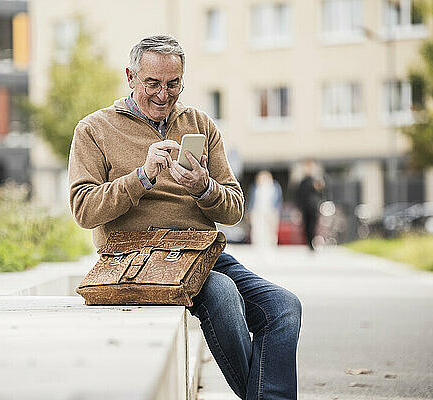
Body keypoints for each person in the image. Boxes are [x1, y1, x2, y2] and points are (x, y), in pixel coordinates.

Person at [68, 35, 302, 400]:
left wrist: (203, 188)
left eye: (173, 84)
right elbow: (83, 208)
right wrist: (141, 178)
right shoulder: (94, 129)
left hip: (202, 253)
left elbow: (234, 207)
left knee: (284, 307)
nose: (164, 94)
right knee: (223, 293)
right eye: (153, 84)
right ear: (130, 77)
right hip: (137, 258)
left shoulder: (200, 124)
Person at [295, 159, 325, 251]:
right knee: (306, 226)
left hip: (313, 207)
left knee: (313, 225)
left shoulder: (316, 180)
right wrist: (298, 208)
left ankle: (312, 242)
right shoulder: (302, 182)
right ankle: (308, 243)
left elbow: (321, 194)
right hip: (305, 207)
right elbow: (298, 196)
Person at [248, 170, 282, 248]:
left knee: (270, 230)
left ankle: (271, 245)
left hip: (270, 211)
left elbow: (278, 200)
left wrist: (276, 211)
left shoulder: (275, 187)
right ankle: (257, 245)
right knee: (257, 229)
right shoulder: (255, 188)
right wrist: (249, 211)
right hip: (257, 211)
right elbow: (252, 200)